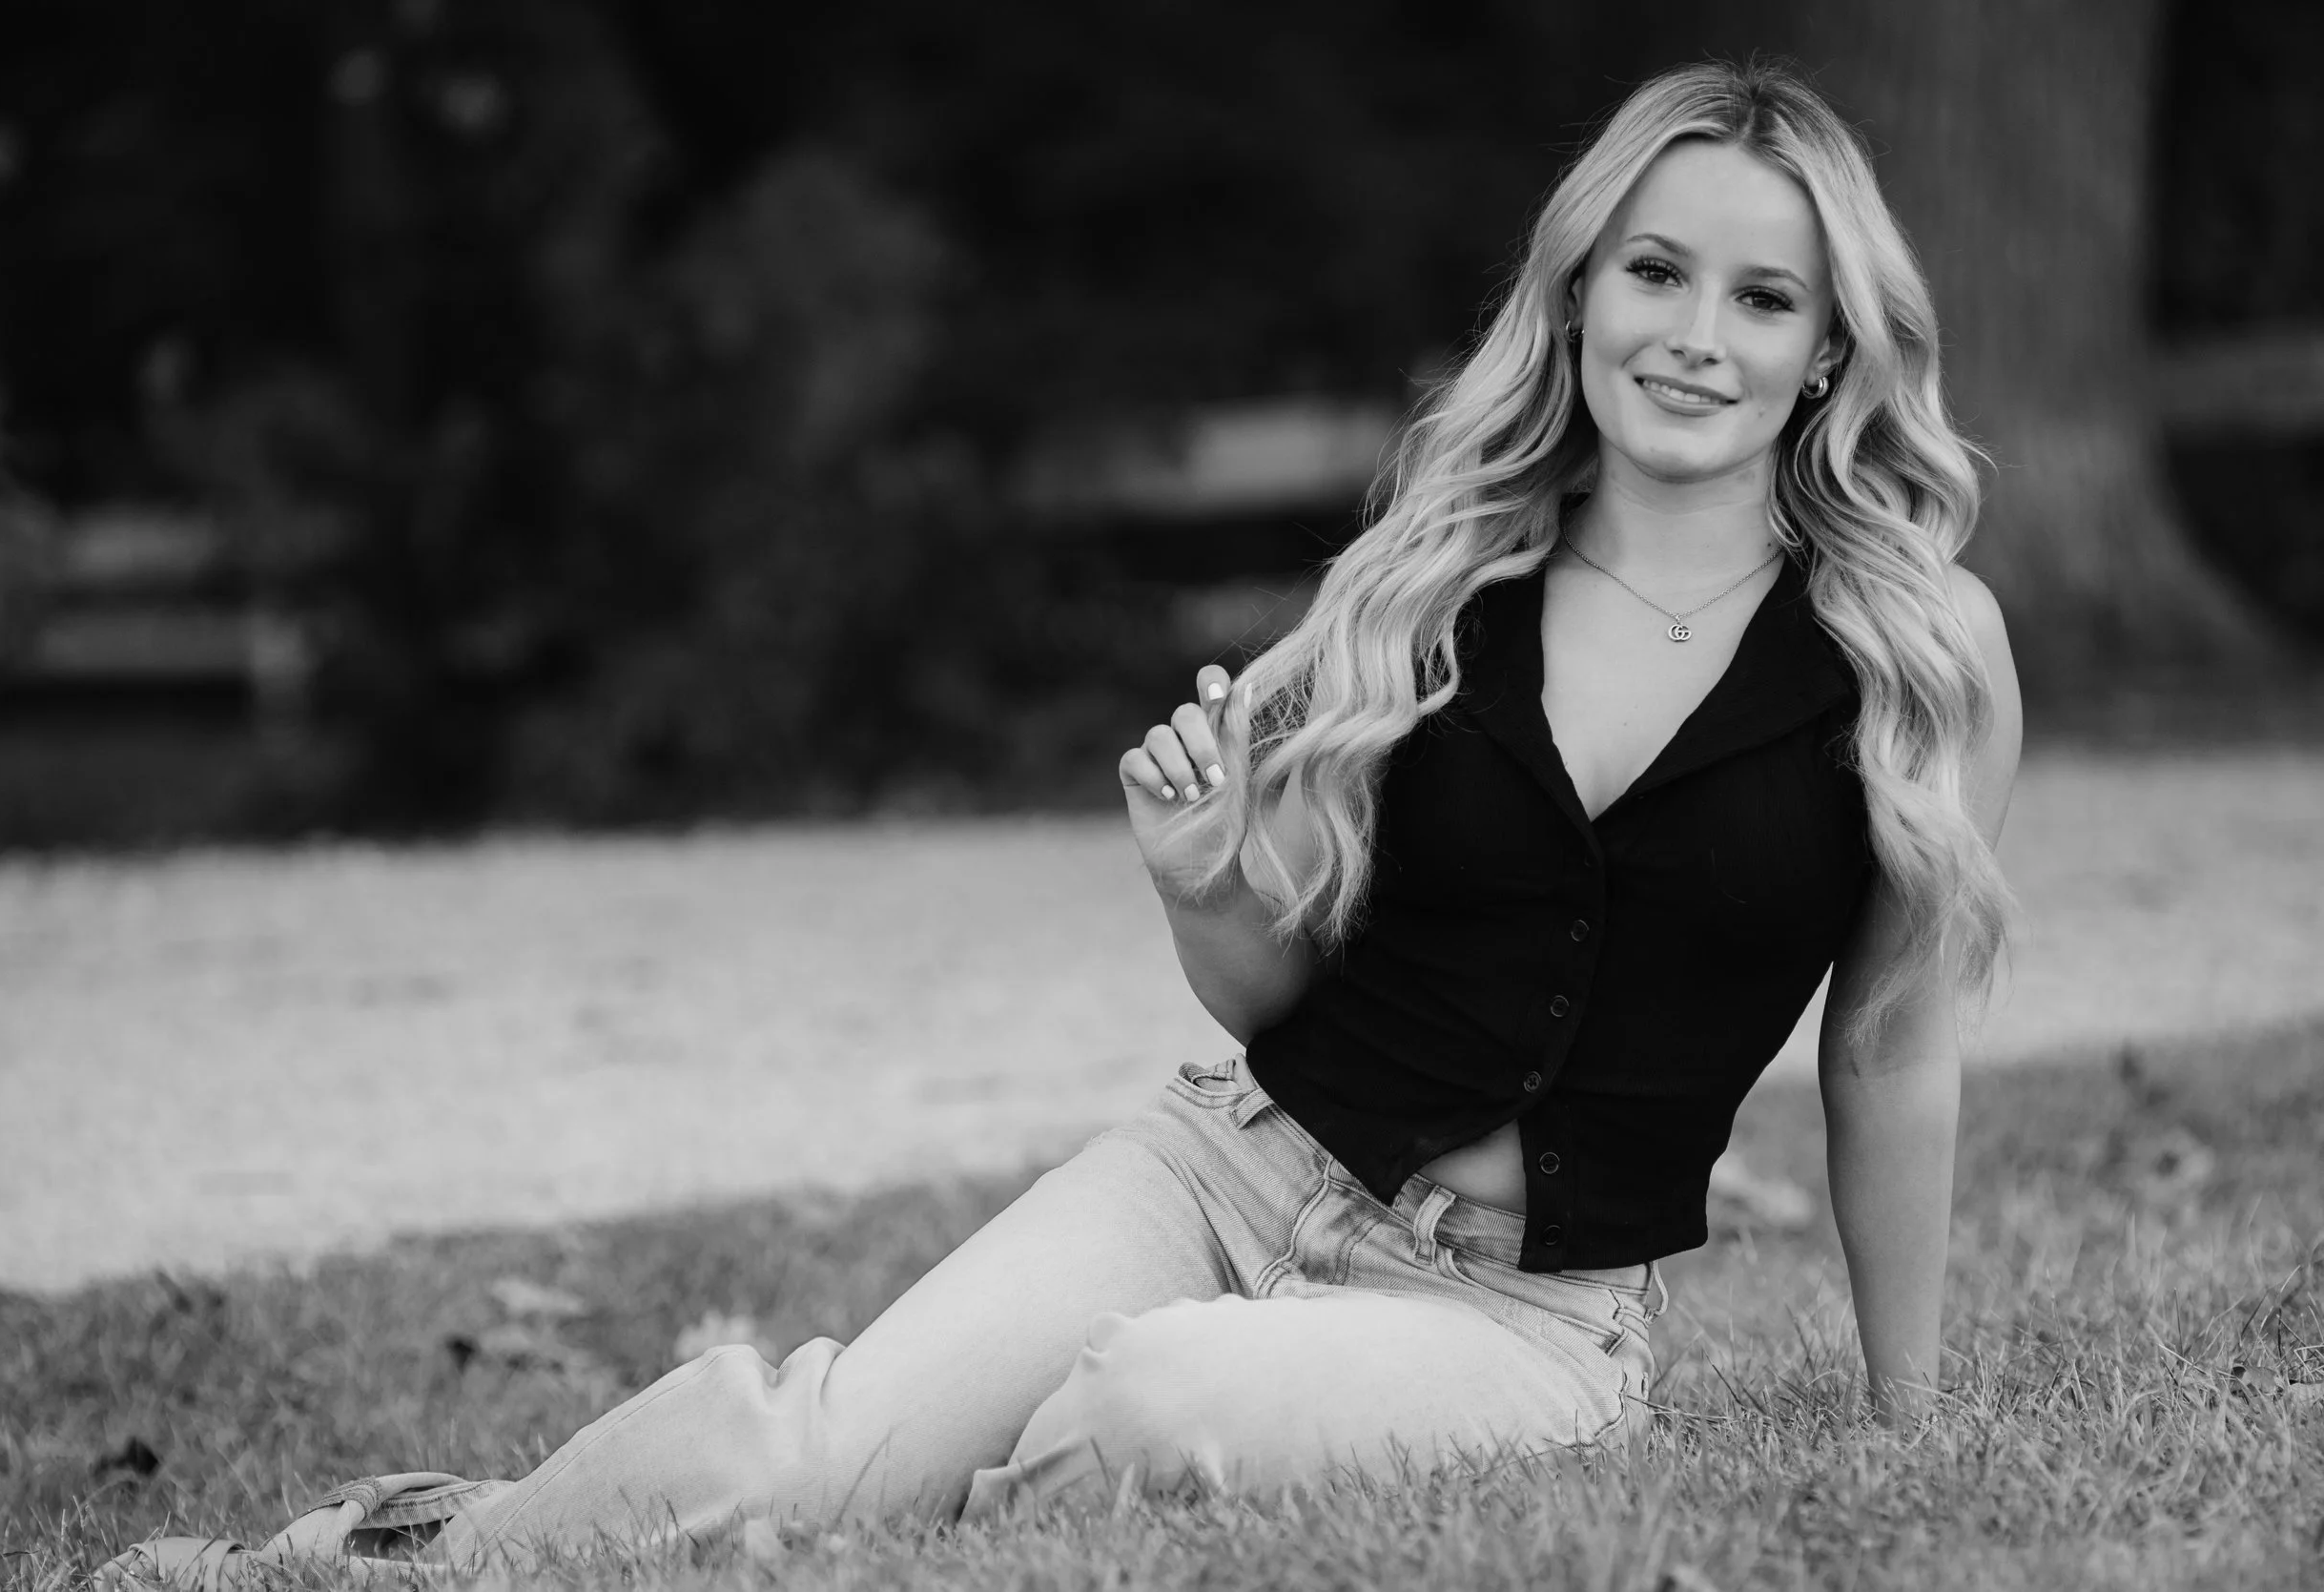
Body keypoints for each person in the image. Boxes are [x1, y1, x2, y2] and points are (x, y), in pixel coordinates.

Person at [97, 56, 2020, 1586]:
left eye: (1762, 297)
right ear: (1578, 290)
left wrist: (1905, 1421)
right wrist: (1199, 888)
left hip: (1522, 1321)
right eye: (1655, 272)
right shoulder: (1435, 583)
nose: (1696, 334)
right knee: (806, 1454)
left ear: (1827, 348)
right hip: (1223, 1175)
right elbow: (1282, 1002)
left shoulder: (1913, 662)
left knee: (1157, 1407)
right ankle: (391, 1554)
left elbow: (1886, 1050)